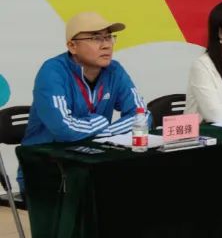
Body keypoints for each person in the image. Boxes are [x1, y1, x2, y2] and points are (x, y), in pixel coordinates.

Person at [23, 12, 148, 147]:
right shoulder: (52, 72)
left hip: (93, 151)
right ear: (72, 46)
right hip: (46, 155)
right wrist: (101, 122)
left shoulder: (114, 70)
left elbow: (143, 116)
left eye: (108, 37)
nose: (106, 45)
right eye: (96, 38)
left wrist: (107, 131)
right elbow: (63, 129)